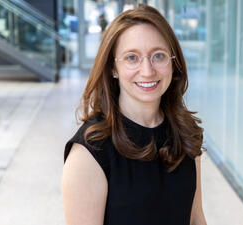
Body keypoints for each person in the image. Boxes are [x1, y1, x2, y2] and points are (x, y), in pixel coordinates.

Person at [62, 4, 207, 225]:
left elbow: (196, 219)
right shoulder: (89, 153)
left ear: (173, 61)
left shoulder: (185, 132)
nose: (148, 71)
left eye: (158, 56)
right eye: (132, 58)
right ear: (113, 68)